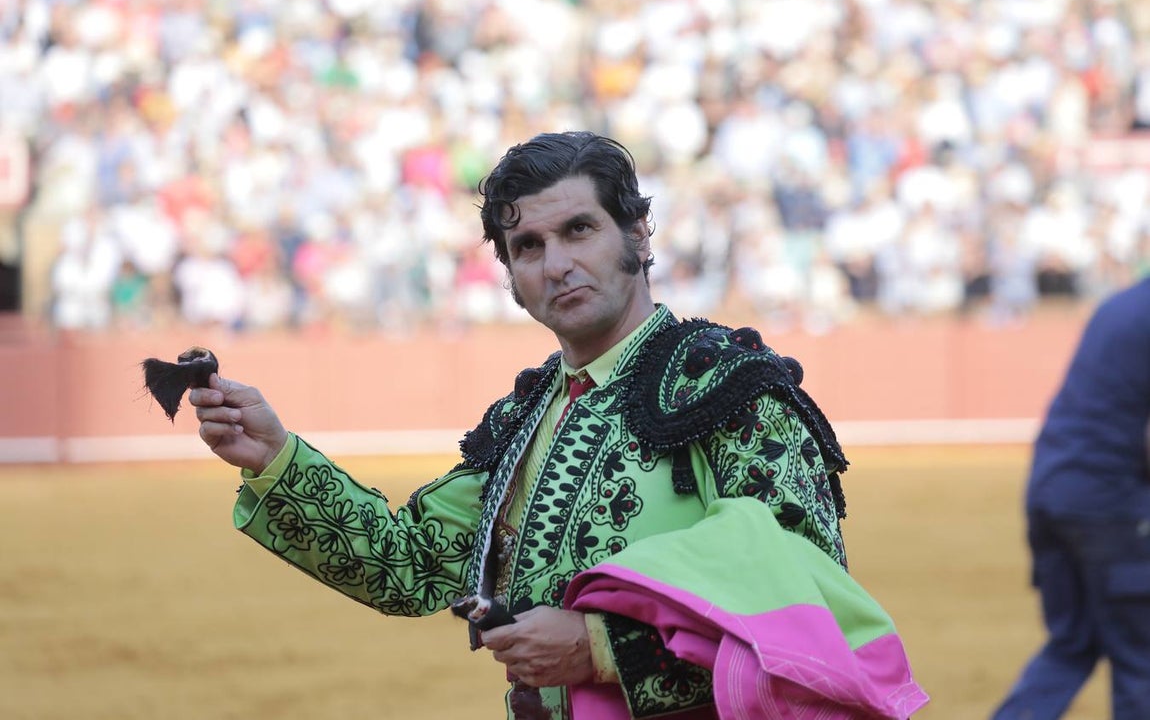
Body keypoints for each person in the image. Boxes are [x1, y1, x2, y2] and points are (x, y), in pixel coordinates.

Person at [189, 131, 928, 719]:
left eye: (579, 229)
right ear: (510, 276)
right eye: (529, 247)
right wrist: (276, 457)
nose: (557, 264)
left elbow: (807, 599)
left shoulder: (726, 387)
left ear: (638, 233)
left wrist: (605, 648)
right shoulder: (524, 418)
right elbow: (407, 563)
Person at [991, 276, 1150, 720]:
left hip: (1050, 492)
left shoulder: (1121, 306)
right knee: (1144, 658)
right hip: (1113, 506)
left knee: (1072, 645)